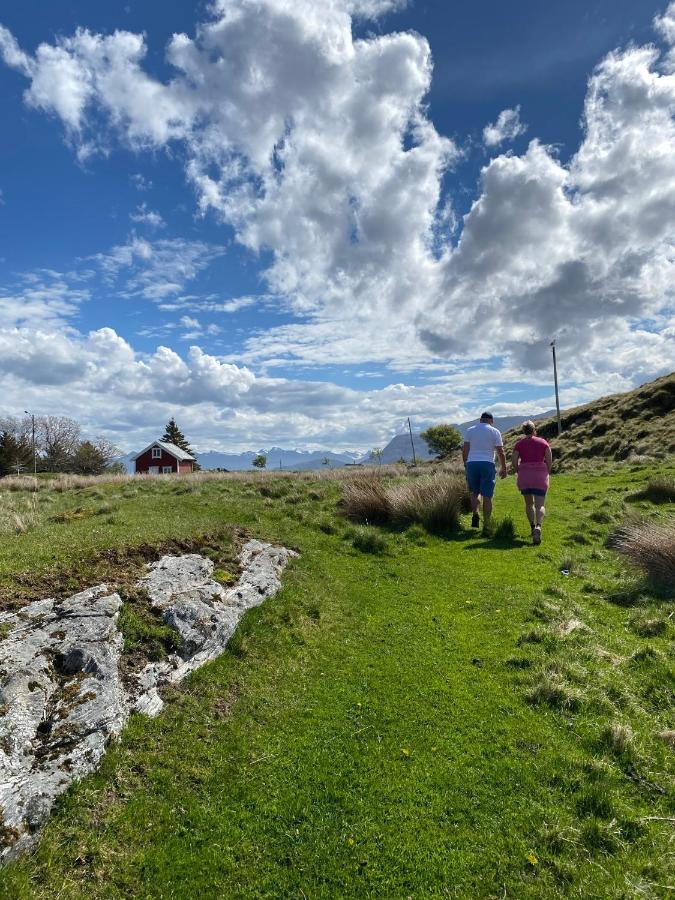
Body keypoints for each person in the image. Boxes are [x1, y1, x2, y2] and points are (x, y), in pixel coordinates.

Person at [462, 412, 507, 529]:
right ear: (491, 421)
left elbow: (465, 449)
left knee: (474, 492)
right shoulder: (495, 431)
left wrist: (465, 464)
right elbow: (500, 452)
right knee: (487, 495)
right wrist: (504, 468)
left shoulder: (470, 430)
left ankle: (475, 514)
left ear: (480, 420)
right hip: (487, 463)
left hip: (471, 463)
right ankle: (487, 523)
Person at [511, 420, 552, 545]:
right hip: (540, 474)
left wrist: (519, 470)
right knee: (540, 505)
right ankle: (539, 527)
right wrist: (547, 471)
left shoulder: (519, 444)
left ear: (523, 431)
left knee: (529, 504)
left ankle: (532, 527)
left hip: (525, 475)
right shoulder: (543, 442)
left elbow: (514, 460)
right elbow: (549, 459)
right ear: (534, 430)